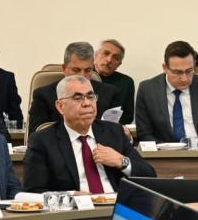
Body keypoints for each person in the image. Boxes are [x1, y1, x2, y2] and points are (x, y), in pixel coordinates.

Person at [23, 76, 155, 193]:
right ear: (60, 106)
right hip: (76, 210)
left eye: (91, 96)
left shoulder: (114, 132)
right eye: (78, 98)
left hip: (114, 206)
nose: (87, 103)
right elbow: (32, 191)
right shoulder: (43, 141)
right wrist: (70, 196)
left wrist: (122, 161)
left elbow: (150, 176)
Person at [135, 41, 198, 142]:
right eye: (177, 72)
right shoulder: (147, 90)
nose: (184, 79)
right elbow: (144, 134)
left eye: (189, 71)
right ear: (165, 68)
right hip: (164, 150)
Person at [28, 42, 121, 134]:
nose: (82, 76)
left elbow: (115, 133)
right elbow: (35, 135)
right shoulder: (43, 96)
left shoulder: (110, 94)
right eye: (76, 70)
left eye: (87, 70)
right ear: (64, 69)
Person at [94, 39, 135, 125]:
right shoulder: (83, 76)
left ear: (119, 64)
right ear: (96, 54)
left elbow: (127, 116)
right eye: (106, 53)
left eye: (115, 58)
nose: (109, 60)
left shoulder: (126, 83)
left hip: (111, 128)